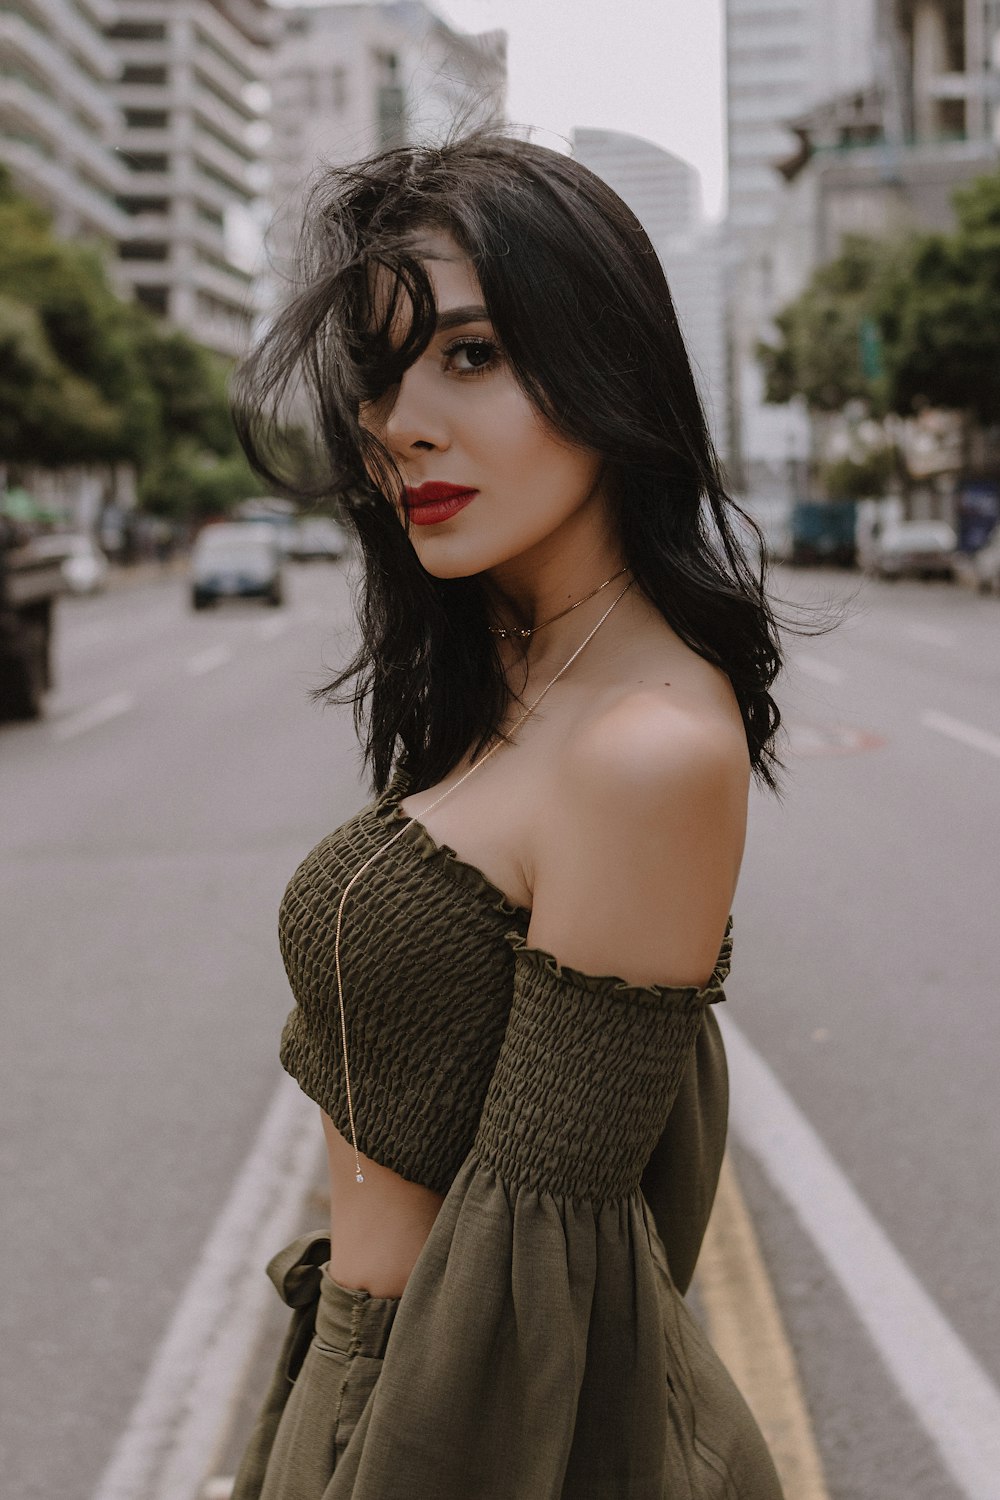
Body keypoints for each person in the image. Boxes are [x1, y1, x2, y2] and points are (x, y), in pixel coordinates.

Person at [230, 130, 785, 1499]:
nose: (398, 420)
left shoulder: (645, 748)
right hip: (355, 1370)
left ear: (610, 365)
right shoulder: (522, 670)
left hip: (435, 1430)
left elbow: (543, 1297)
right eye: (382, 370)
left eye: (471, 355)